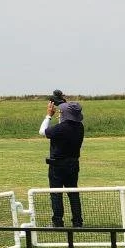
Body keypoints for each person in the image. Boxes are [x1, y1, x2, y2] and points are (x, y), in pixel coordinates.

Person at [39, 98, 86, 228]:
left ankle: (58, 222)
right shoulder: (79, 127)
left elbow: (42, 131)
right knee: (73, 193)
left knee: (56, 193)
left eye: (61, 112)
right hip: (73, 164)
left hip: (57, 165)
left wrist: (49, 115)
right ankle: (77, 222)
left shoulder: (61, 128)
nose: (59, 114)